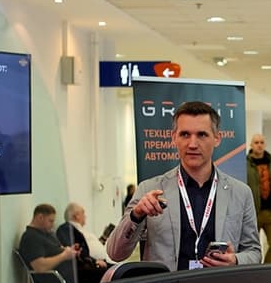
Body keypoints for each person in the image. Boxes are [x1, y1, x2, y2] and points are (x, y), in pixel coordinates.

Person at [107, 101, 262, 270]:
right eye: (185, 134)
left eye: (202, 135)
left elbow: (254, 252)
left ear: (217, 138)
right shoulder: (150, 190)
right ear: (174, 138)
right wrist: (136, 215)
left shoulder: (240, 193)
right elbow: (115, 253)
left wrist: (236, 260)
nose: (193, 144)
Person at [18, 203, 80, 283]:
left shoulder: (47, 234)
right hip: (57, 281)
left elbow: (57, 250)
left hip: (72, 276)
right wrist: (64, 255)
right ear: (40, 217)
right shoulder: (31, 237)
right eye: (50, 221)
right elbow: (40, 267)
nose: (53, 224)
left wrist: (69, 251)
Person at [245, 133, 271, 263]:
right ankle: (252, 271)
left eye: (262, 142)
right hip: (252, 212)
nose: (259, 145)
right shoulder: (245, 163)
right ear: (251, 145)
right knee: (250, 247)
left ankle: (266, 268)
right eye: (256, 142)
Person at [55, 202, 110, 283]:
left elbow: (88, 246)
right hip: (88, 269)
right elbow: (75, 250)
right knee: (123, 273)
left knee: (124, 269)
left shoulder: (80, 229)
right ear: (76, 215)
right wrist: (94, 262)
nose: (85, 216)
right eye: (83, 213)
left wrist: (104, 238)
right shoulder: (66, 228)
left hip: (97, 263)